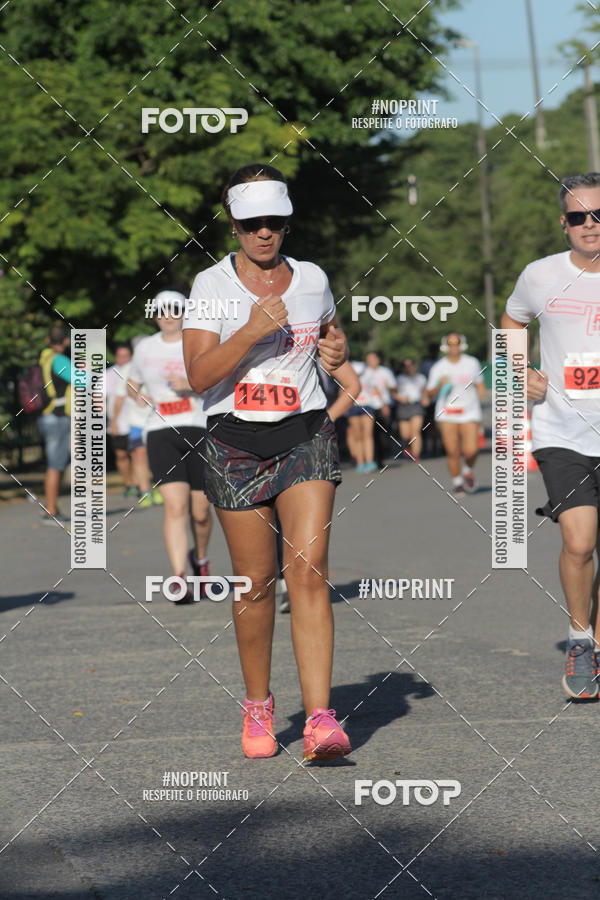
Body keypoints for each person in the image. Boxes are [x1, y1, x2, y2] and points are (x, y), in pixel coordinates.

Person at [182, 163, 351, 761]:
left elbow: (332, 339)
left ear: (286, 222)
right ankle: (258, 704)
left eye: (274, 223)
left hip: (304, 434)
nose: (264, 234)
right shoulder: (209, 286)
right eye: (252, 224)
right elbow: (198, 375)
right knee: (255, 583)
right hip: (235, 440)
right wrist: (252, 330)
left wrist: (337, 349)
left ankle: (321, 719)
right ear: (232, 224)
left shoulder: (311, 279)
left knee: (307, 571)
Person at [501, 172, 600, 700]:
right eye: (580, 216)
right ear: (564, 224)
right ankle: (580, 639)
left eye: (599, 215)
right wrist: (521, 373)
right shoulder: (540, 276)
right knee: (580, 541)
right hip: (561, 429)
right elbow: (511, 322)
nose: (591, 225)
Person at [128, 291, 212, 600]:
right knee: (175, 507)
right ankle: (180, 578)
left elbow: (220, 378)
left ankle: (200, 559)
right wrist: (137, 395)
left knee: (201, 512)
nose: (168, 315)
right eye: (162, 310)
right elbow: (132, 382)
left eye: (175, 309)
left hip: (198, 427)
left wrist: (191, 384)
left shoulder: (199, 340)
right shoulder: (145, 348)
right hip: (160, 430)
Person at [425, 333, 486, 495]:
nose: (454, 348)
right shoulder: (438, 367)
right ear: (446, 347)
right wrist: (439, 385)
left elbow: (480, 385)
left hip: (469, 411)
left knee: (471, 449)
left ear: (461, 346)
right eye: (451, 345)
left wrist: (482, 393)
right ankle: (458, 482)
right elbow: (430, 393)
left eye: (456, 345)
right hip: (447, 413)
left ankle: (467, 470)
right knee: (452, 450)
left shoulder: (472, 363)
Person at [111, 337, 159, 508]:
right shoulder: (126, 370)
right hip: (136, 420)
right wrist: (114, 421)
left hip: (158, 418)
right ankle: (145, 491)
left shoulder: (157, 364)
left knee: (154, 455)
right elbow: (119, 397)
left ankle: (157, 486)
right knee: (138, 453)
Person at [38, 324, 72, 524]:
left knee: (54, 463)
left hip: (46, 416)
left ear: (47, 341)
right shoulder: (59, 360)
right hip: (57, 417)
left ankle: (52, 507)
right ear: (65, 342)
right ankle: (50, 510)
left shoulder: (44, 359)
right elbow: (81, 380)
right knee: (55, 465)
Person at [106, 343, 137, 497]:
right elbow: (98, 395)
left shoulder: (137, 372)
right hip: (117, 422)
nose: (123, 359)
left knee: (137, 453)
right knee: (121, 454)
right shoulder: (109, 374)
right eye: (120, 356)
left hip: (135, 420)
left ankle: (140, 483)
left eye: (126, 356)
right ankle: (129, 483)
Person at [394, 357, 427, 462]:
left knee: (415, 431)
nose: (408, 368)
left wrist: (425, 398)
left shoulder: (421, 378)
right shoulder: (399, 378)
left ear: (414, 366)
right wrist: (399, 397)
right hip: (404, 406)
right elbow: (393, 392)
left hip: (416, 405)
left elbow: (424, 390)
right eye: (406, 366)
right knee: (405, 434)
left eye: (410, 365)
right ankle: (408, 445)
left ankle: (416, 454)